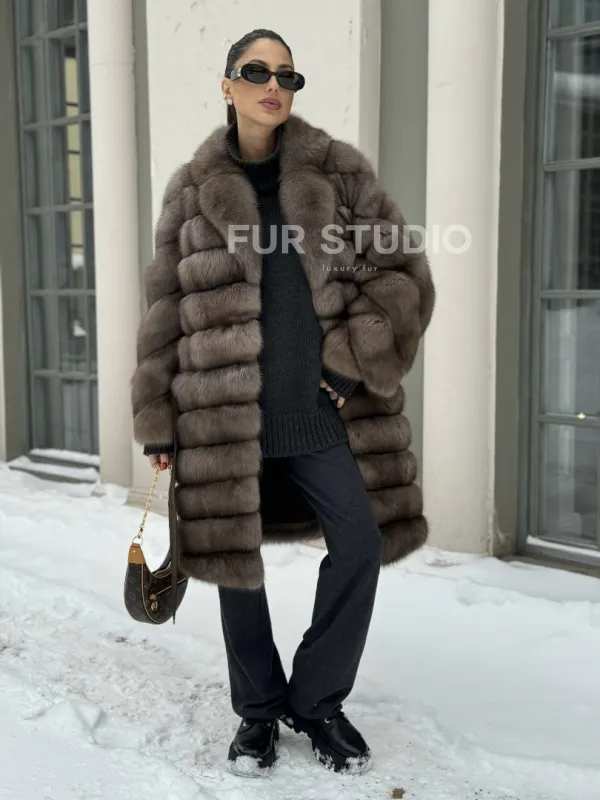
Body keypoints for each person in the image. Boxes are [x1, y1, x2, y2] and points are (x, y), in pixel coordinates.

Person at [131, 28, 434, 777]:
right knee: (236, 567)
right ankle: (258, 712)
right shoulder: (190, 191)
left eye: (287, 75)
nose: (274, 85)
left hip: (321, 415)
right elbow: (164, 311)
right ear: (227, 84)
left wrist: (351, 367)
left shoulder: (338, 172)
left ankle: (318, 700)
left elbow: (402, 276)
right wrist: (159, 421)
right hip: (221, 417)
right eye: (257, 71)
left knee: (359, 544)